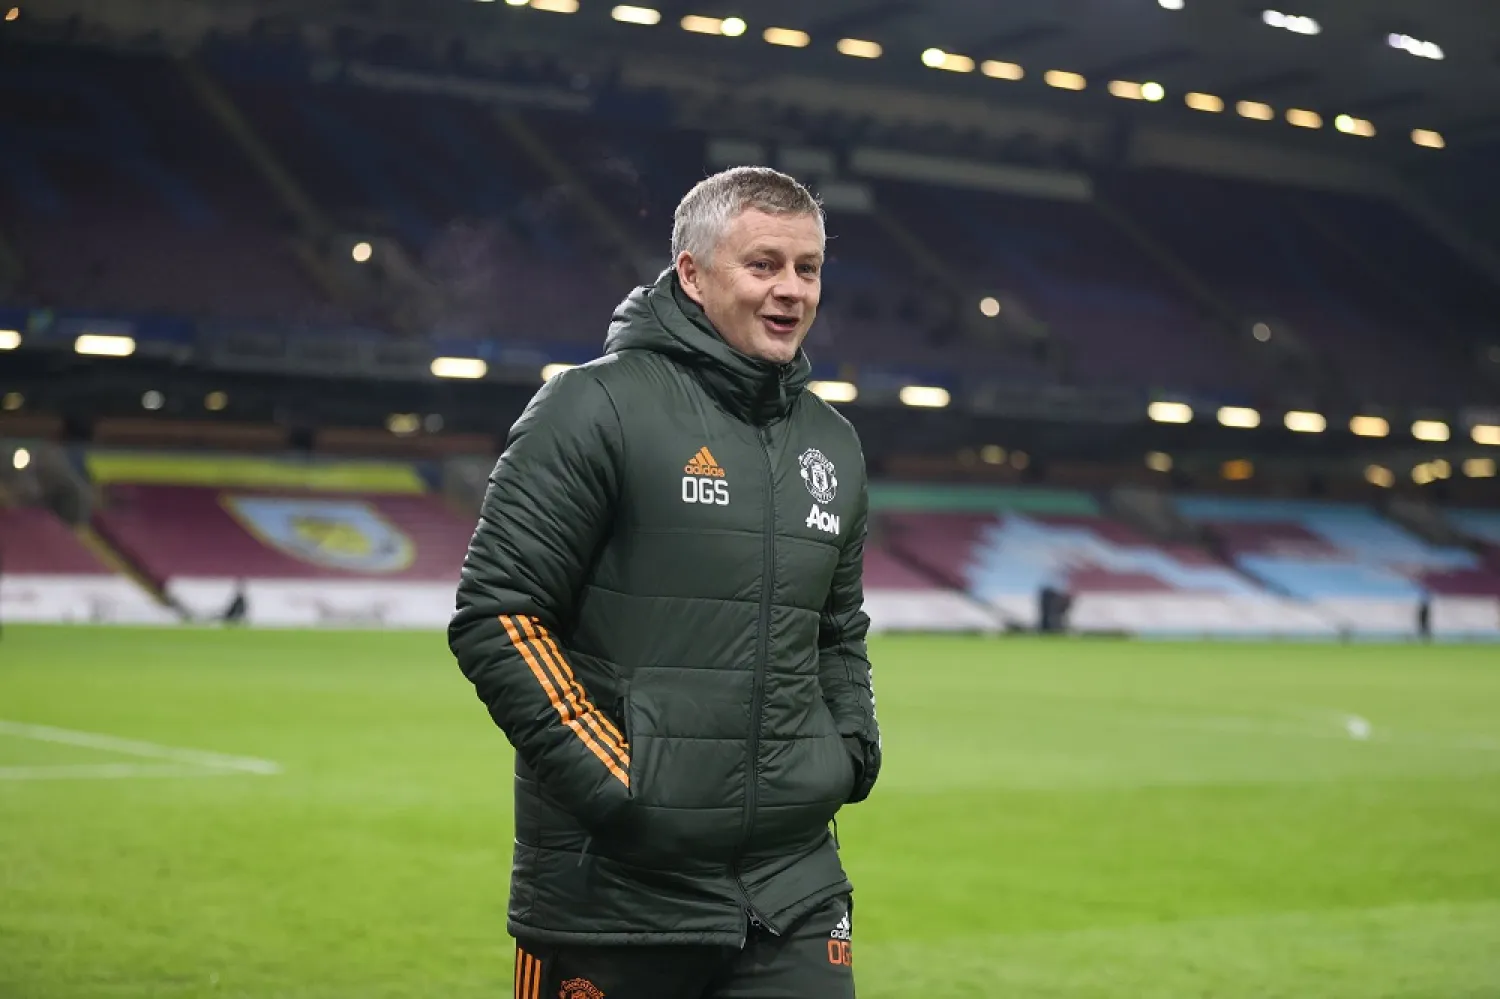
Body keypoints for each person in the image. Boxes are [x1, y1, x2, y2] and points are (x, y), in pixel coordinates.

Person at [449, 166, 881, 999]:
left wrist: (847, 750)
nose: (791, 289)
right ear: (692, 272)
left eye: (808, 267)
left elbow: (838, 628)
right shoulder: (591, 407)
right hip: (613, 896)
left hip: (795, 890)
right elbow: (498, 612)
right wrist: (616, 778)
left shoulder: (833, 442)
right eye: (763, 265)